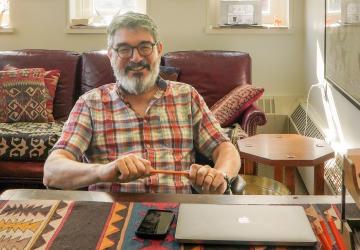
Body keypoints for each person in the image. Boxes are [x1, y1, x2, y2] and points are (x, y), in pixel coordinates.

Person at [43, 12, 240, 194]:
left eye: (145, 47)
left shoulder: (187, 96)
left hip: (177, 211)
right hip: (109, 215)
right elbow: (52, 171)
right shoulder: (90, 103)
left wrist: (220, 176)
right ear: (111, 55)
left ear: (159, 50)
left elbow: (225, 148)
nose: (136, 58)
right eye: (124, 49)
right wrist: (103, 171)